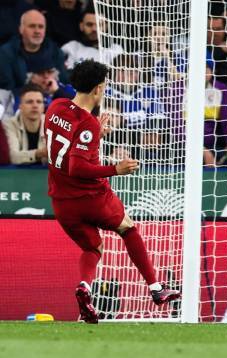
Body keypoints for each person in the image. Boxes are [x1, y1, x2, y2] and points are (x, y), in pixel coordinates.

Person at [45, 59, 180, 324]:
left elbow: (66, 144)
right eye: (104, 86)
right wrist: (114, 169)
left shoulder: (56, 107)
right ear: (98, 88)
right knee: (127, 228)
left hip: (61, 201)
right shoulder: (88, 123)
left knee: (92, 247)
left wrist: (95, 137)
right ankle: (156, 288)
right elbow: (77, 167)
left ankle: (85, 287)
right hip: (90, 197)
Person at [0, 9, 68, 93]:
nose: (37, 31)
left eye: (41, 27)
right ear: (21, 29)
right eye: (32, 26)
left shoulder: (55, 51)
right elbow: (6, 91)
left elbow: (65, 83)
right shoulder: (6, 53)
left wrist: (57, 90)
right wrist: (32, 87)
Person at [2, 83, 46, 165]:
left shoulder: (53, 124)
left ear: (43, 107)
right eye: (30, 102)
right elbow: (13, 157)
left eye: (39, 102)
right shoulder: (9, 124)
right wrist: (39, 153)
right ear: (20, 106)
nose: (35, 105)